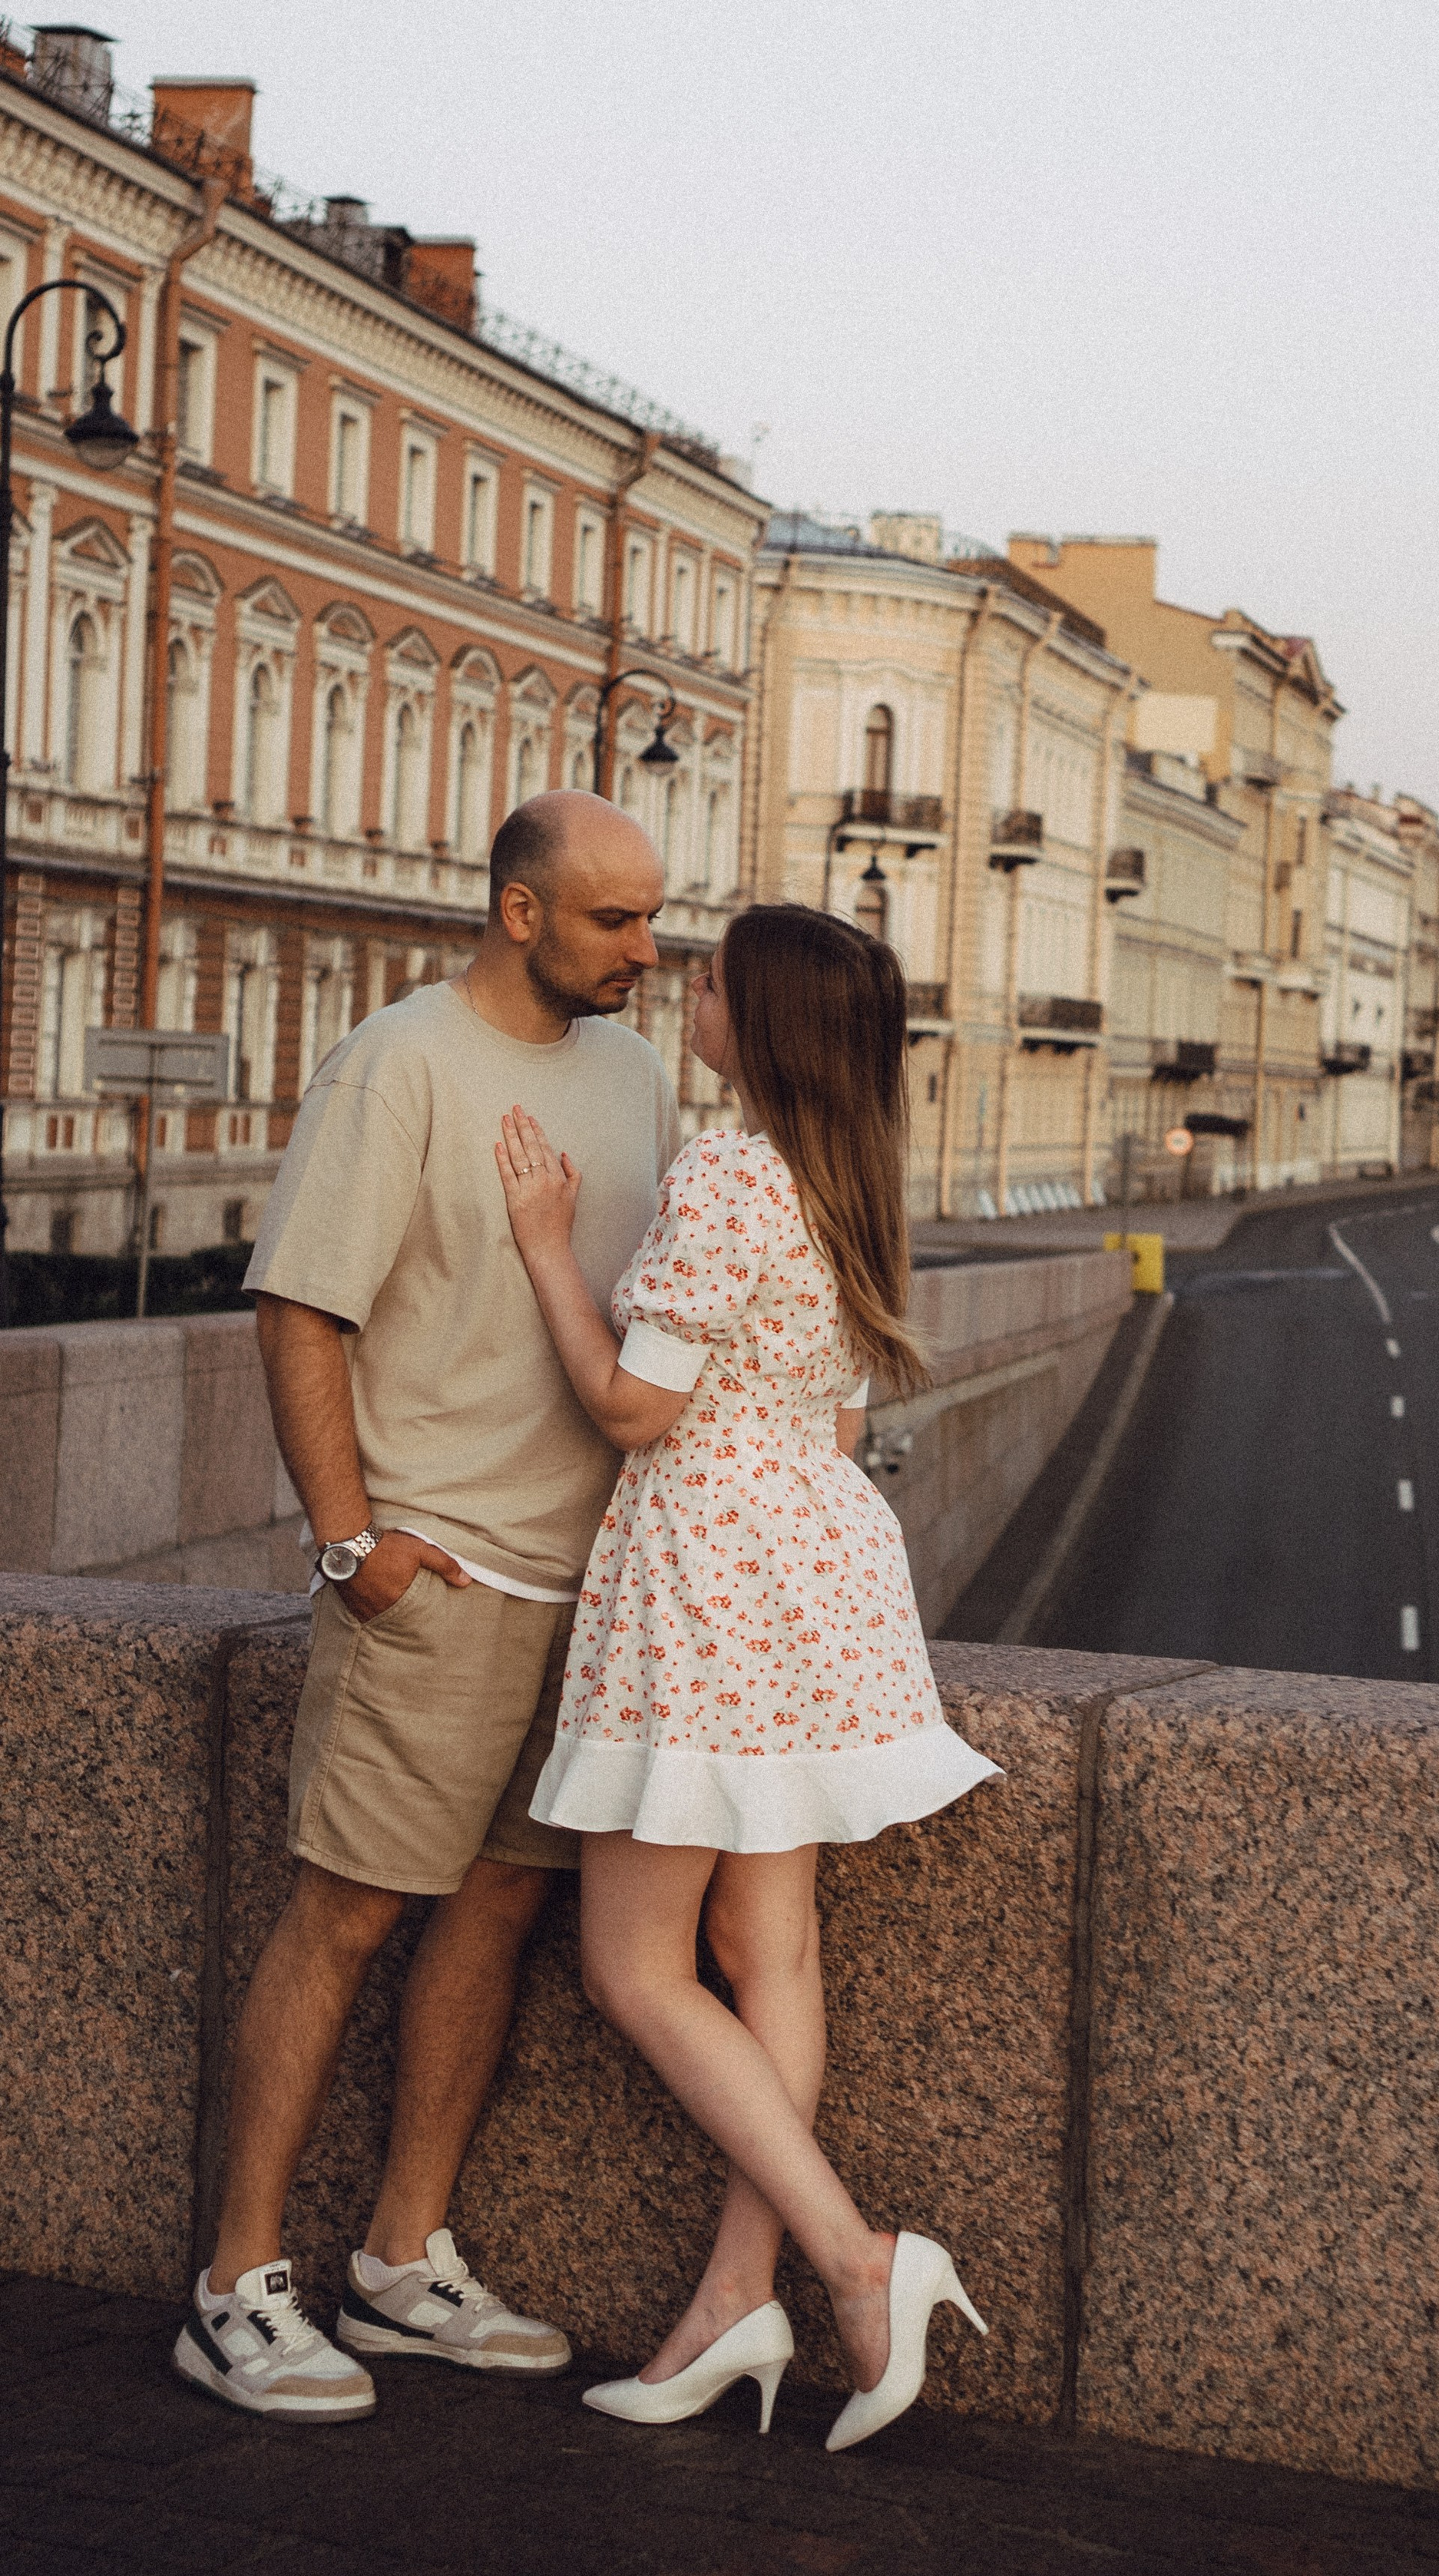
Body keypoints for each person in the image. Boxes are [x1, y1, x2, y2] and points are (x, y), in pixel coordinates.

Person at [173, 793, 682, 2425]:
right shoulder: (398, 1064)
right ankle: (235, 2288)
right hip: (438, 1571)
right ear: (520, 914)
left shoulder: (636, 1071)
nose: (646, 950)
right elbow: (299, 1306)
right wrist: (350, 1543)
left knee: (494, 1914)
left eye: (653, 918)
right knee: (346, 1914)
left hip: (584, 1576)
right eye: (615, 921)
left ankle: (402, 2265)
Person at [495, 901, 997, 2451]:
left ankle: (855, 2261)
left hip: (707, 1579)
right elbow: (836, 1424)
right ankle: (732, 2300)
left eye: (707, 979)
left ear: (755, 1018)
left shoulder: (725, 1169)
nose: (685, 991)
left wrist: (540, 1252)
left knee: (635, 1967)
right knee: (762, 1944)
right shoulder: (848, 1180)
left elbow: (632, 1409)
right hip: (818, 1573)